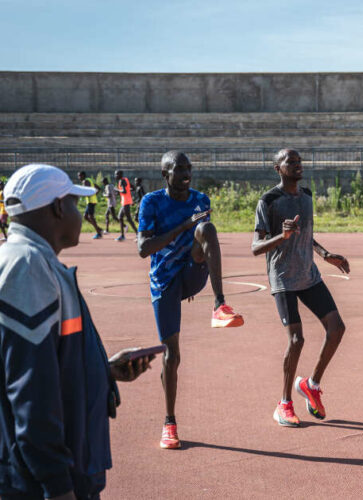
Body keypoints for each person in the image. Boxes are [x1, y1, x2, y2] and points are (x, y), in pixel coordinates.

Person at [0, 164, 156, 499]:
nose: (81, 213)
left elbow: (42, 362)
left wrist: (102, 371)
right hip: (37, 484)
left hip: (53, 472)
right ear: (57, 207)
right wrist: (58, 486)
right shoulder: (27, 267)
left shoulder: (34, 262)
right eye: (73, 203)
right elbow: (31, 393)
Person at [137, 150, 245, 449]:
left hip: (192, 271)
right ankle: (169, 423)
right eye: (178, 168)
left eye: (188, 167)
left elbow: (201, 238)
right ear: (165, 174)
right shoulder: (151, 202)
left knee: (207, 228)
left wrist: (193, 233)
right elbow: (144, 248)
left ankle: (219, 304)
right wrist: (182, 227)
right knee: (172, 355)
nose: (186, 172)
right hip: (164, 282)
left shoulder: (201, 200)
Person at [251, 149, 350, 427]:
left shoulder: (306, 197)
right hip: (283, 279)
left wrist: (324, 253)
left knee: (337, 328)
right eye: (290, 162)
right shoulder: (268, 200)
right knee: (297, 340)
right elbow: (256, 247)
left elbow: (306, 233)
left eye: (299, 162)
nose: (297, 165)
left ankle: (311, 383)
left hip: (309, 275)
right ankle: (284, 404)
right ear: (277, 168)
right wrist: (281, 237)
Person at [78, 171, 104, 239]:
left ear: (83, 175)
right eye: (78, 176)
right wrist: (94, 194)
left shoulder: (85, 182)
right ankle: (99, 229)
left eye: (80, 176)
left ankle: (99, 233)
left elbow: (86, 190)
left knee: (90, 217)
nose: (79, 177)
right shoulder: (90, 180)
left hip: (91, 201)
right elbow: (99, 188)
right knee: (86, 217)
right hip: (92, 200)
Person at [114, 170, 138, 241]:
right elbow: (133, 188)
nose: (115, 176)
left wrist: (117, 190)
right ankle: (122, 235)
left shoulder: (122, 181)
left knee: (128, 219)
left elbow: (124, 191)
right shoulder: (125, 180)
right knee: (120, 217)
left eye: (117, 174)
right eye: (115, 174)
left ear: (120, 175)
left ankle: (137, 234)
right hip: (125, 201)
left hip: (126, 202)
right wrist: (121, 191)